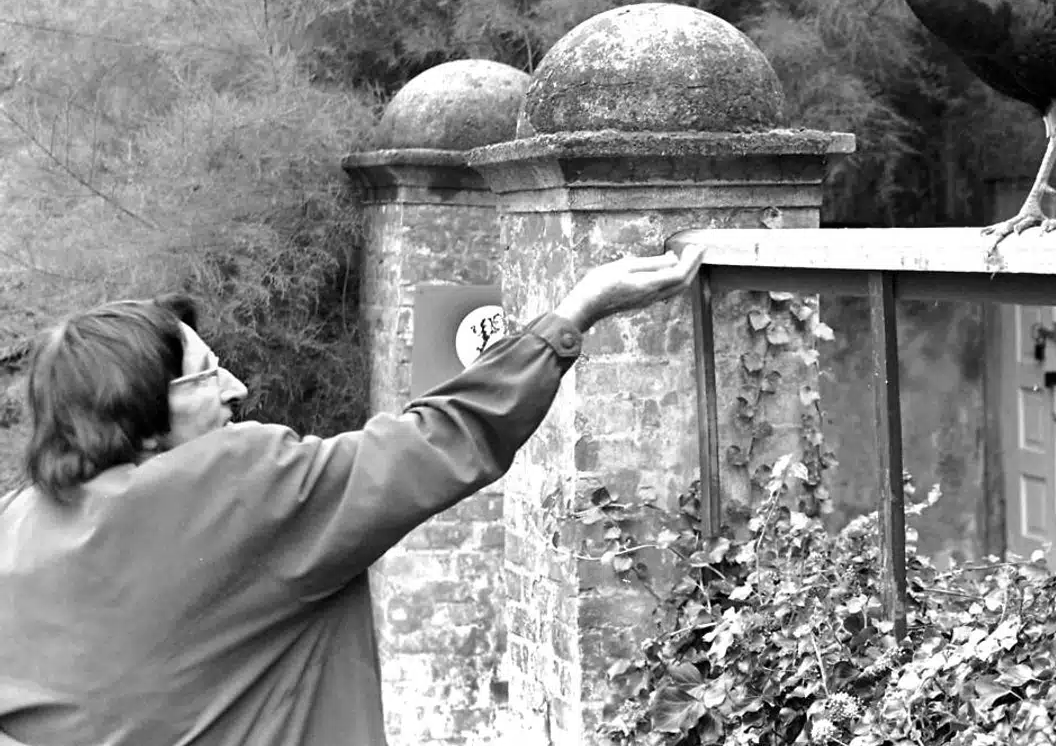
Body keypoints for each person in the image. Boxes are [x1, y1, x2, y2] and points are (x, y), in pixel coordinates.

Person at [0, 245, 705, 746]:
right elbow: (437, 441)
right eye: (208, 374)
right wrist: (573, 314)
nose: (237, 388)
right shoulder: (231, 488)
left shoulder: (16, 526)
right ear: (139, 412)